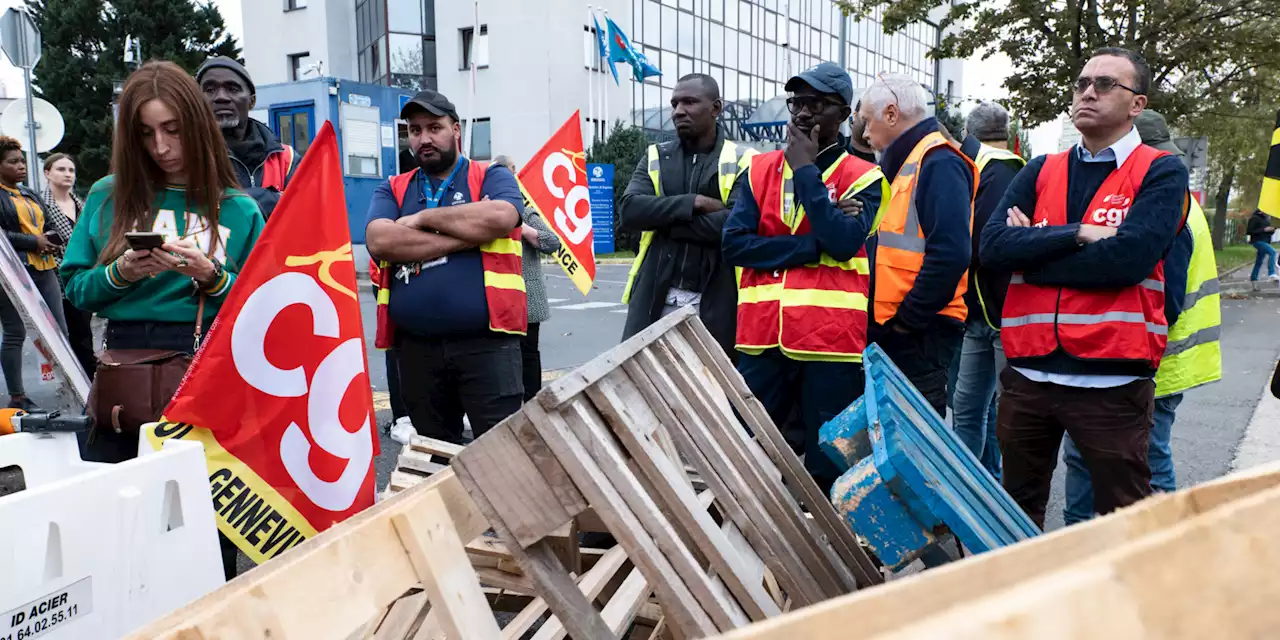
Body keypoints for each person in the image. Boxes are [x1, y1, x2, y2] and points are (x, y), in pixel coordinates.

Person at [979, 48, 1190, 527]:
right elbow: (991, 247)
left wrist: (1032, 252)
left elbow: (1128, 260)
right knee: (1015, 512)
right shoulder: (1038, 169)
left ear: (1138, 104)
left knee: (1122, 519)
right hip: (1029, 375)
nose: (1088, 92)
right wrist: (1076, 234)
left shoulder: (1160, 170)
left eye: (1105, 84)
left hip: (1110, 382)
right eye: (1082, 83)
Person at [61, 61, 265, 464]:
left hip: (208, 366)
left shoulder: (238, 208)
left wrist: (212, 276)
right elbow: (76, 288)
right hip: (123, 365)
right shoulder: (108, 194)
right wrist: (121, 273)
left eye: (173, 129)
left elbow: (263, 306)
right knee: (121, 502)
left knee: (203, 506)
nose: (161, 147)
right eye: (145, 133)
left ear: (198, 124)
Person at [723, 62, 886, 492]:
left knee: (828, 461)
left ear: (845, 115)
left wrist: (805, 171)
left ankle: (827, 550)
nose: (802, 113)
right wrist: (814, 246)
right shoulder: (758, 170)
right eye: (797, 102)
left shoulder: (865, 177)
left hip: (829, 342)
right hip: (761, 337)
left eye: (816, 103)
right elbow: (734, 245)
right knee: (751, 449)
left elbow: (845, 242)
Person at [1061, 110, 1222, 524]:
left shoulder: (1170, 207)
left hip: (1155, 359)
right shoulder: (1173, 202)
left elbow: (1164, 298)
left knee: (1147, 461)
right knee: (1137, 457)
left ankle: (1163, 545)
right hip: (1166, 356)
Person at [365, 89, 526, 445]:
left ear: (456, 130)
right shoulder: (392, 187)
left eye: (434, 127)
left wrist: (421, 218)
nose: (424, 138)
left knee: (503, 452)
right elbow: (380, 240)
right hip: (416, 350)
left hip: (487, 343)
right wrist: (468, 233)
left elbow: (501, 216)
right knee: (436, 454)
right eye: (415, 130)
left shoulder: (492, 175)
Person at [857, 73, 977, 417]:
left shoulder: (937, 161)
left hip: (918, 332)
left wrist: (907, 321)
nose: (865, 134)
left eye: (867, 121)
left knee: (913, 441)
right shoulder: (912, 162)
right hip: (903, 328)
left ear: (891, 114)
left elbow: (951, 254)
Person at [619, 73, 754, 356]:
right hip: (654, 299)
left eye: (690, 102)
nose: (679, 111)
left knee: (711, 391)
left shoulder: (745, 159)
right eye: (675, 103)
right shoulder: (656, 155)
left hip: (719, 299)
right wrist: (694, 202)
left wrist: (663, 222)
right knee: (649, 389)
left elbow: (734, 226)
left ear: (716, 108)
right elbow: (630, 211)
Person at [949, 102, 1026, 479]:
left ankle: (979, 492)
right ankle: (979, 487)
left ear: (969, 133)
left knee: (978, 410)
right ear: (1008, 134)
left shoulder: (994, 170)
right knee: (981, 408)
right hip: (992, 309)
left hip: (994, 313)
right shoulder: (1009, 166)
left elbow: (981, 243)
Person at [0, 137, 67, 410]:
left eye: (22, 160)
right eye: (13, 161)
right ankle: (17, 396)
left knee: (59, 331)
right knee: (15, 332)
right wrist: (33, 242)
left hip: (44, 267)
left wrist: (51, 239)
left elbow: (48, 222)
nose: (21, 165)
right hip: (12, 273)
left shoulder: (30, 193)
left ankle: (71, 387)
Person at [196, 56, 301, 220]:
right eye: (209, 90)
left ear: (251, 101)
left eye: (232, 89)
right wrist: (272, 199)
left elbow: (307, 209)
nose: (221, 97)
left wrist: (236, 201)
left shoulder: (285, 158)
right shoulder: (188, 156)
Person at [494, 154, 562, 401]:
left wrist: (521, 226)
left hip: (527, 296)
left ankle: (532, 400)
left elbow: (552, 242)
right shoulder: (489, 211)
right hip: (499, 294)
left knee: (528, 352)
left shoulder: (527, 211)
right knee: (502, 353)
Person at [41, 153, 98, 380]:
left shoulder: (80, 204)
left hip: (82, 274)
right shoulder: (41, 203)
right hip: (53, 275)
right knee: (63, 333)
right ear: (47, 173)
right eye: (61, 169)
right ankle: (75, 378)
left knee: (83, 331)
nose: (67, 174)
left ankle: (87, 378)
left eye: (71, 170)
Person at [1246, 208, 1278, 281]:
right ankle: (1271, 273)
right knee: (1272, 252)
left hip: (1265, 241)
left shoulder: (1266, 219)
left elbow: (1268, 232)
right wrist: (1264, 229)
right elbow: (1249, 231)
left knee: (1259, 262)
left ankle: (1253, 278)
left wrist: (1272, 229)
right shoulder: (1254, 218)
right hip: (1257, 241)